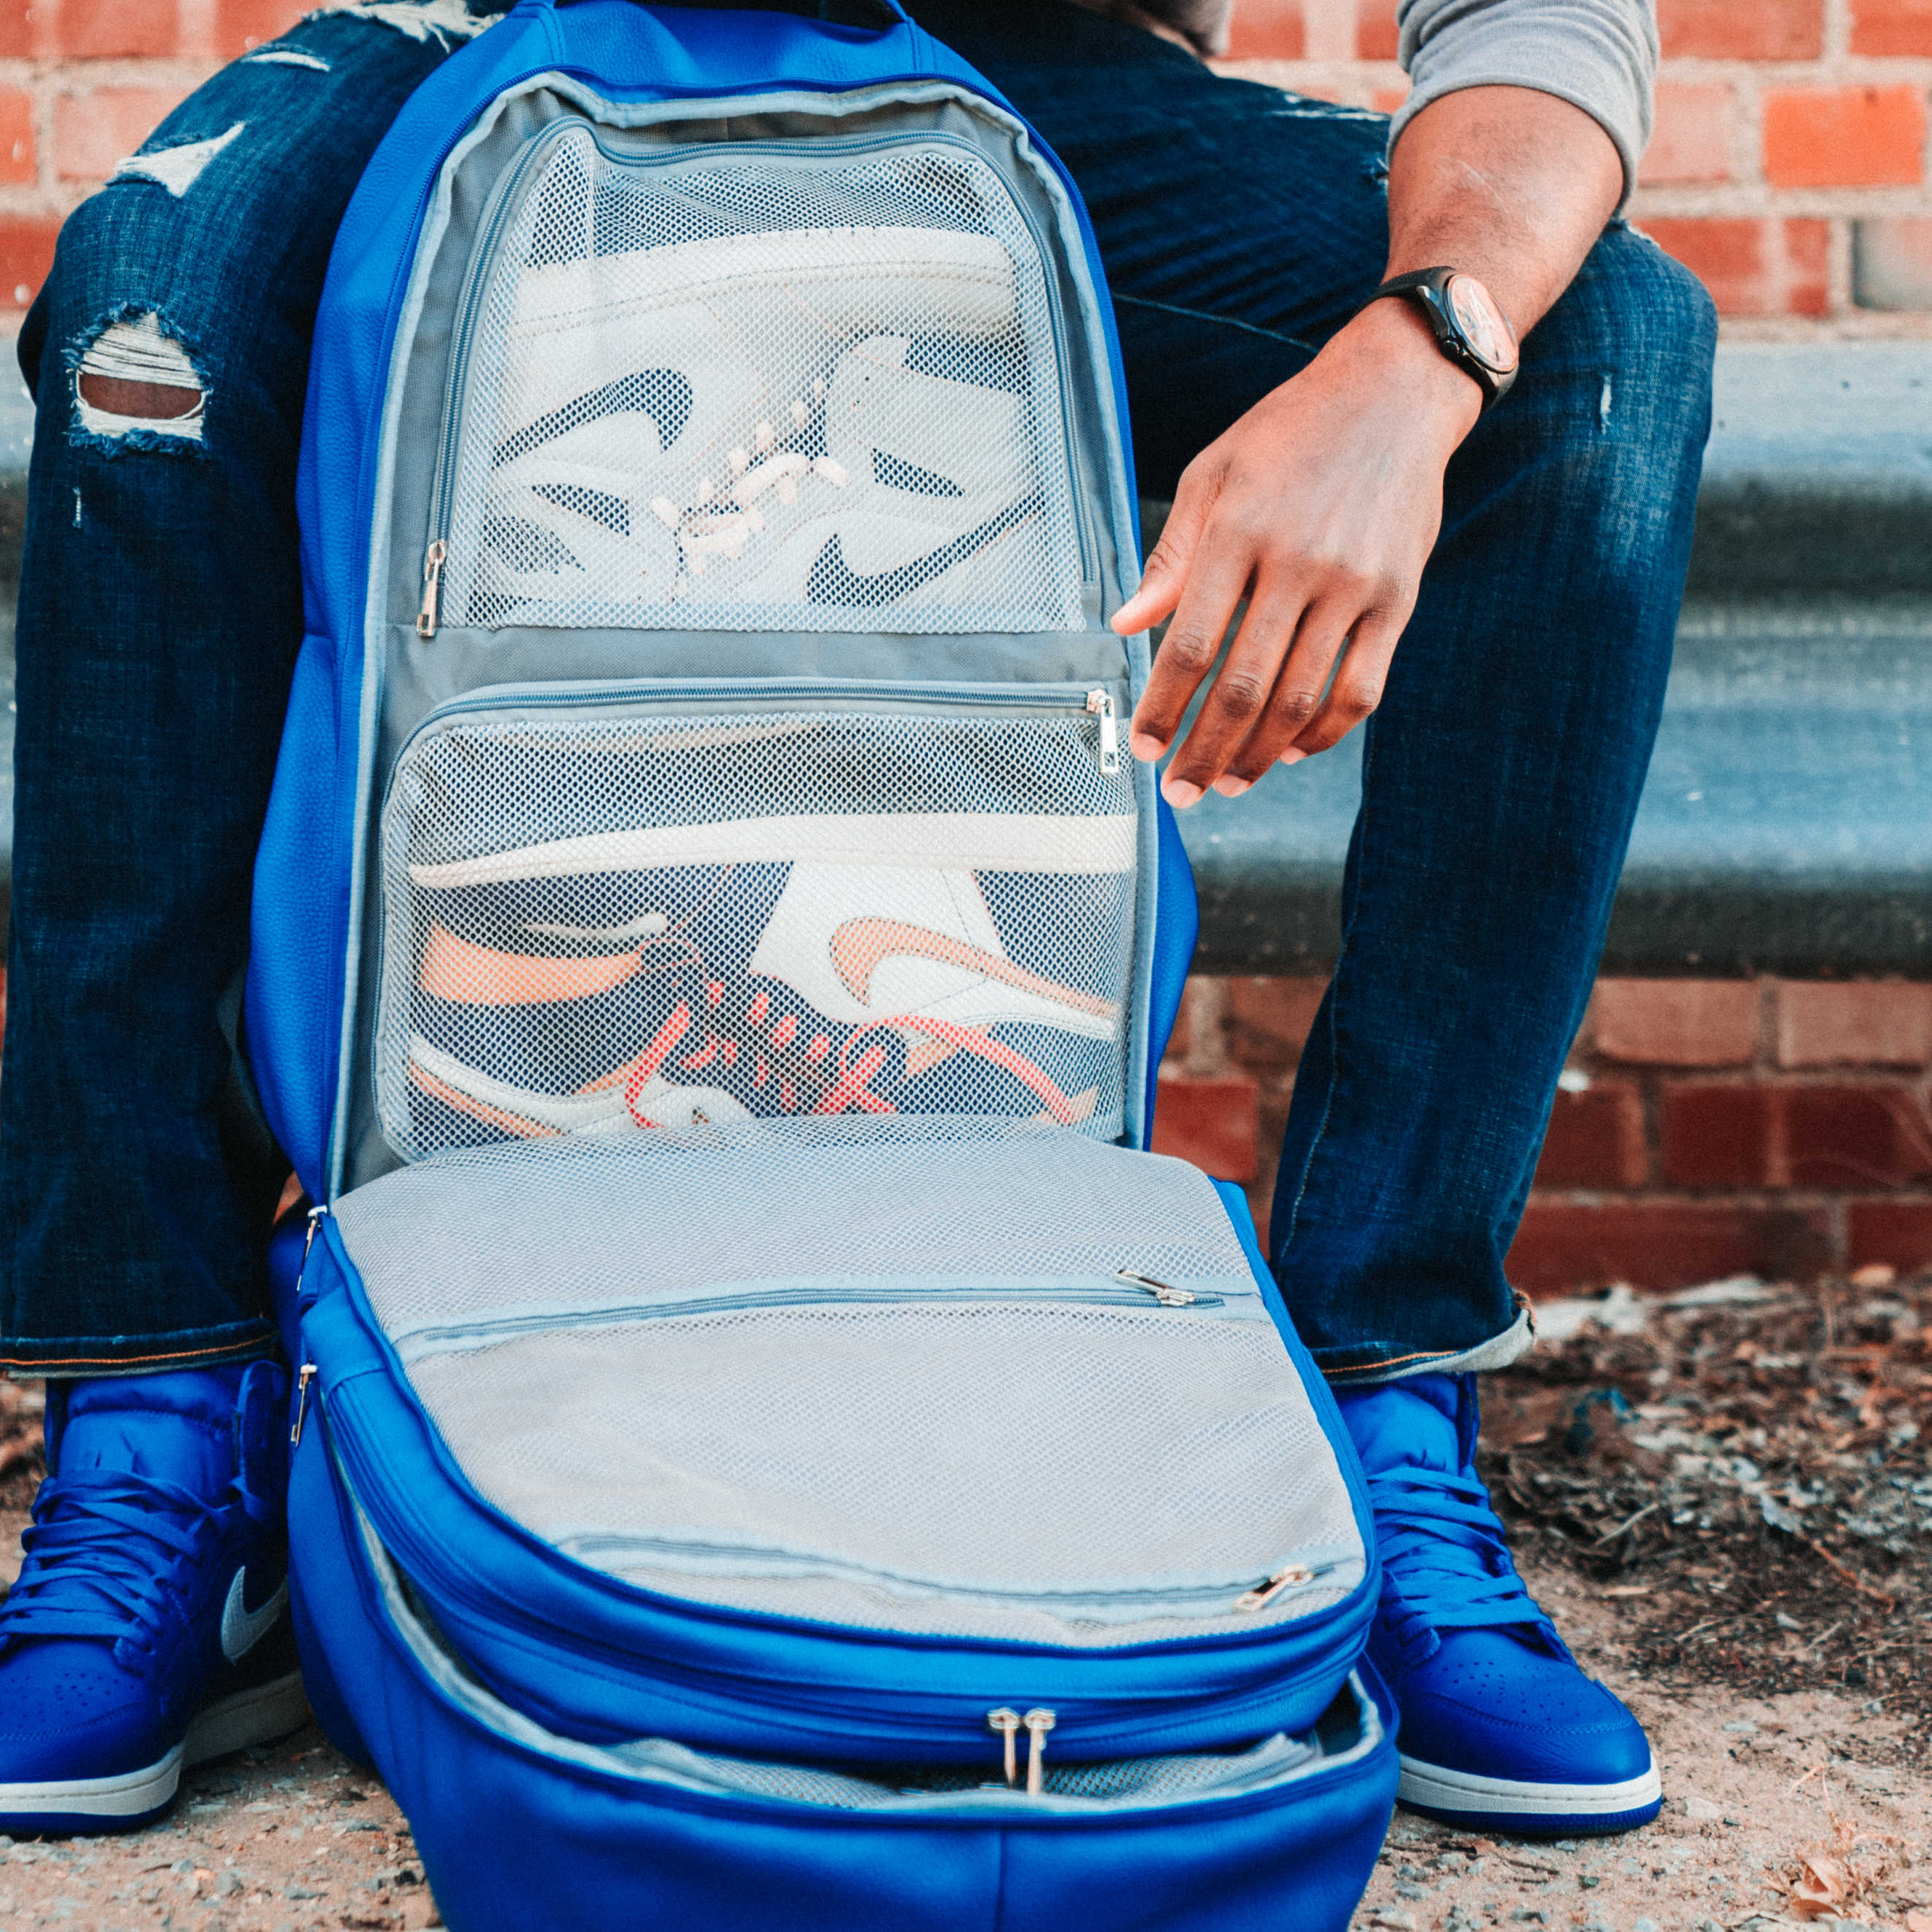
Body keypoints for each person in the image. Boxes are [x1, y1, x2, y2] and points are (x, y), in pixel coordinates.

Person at [0, 0, 1711, 1838]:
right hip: (486, 30)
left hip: (1025, 56)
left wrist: (1424, 348)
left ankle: (1382, 1422)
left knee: (1603, 333)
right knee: (147, 325)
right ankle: (165, 1436)